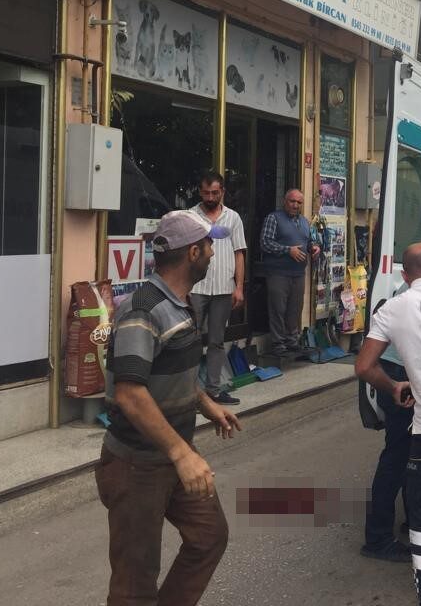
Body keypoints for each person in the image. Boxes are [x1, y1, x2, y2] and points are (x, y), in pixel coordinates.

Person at [97, 210, 242, 605]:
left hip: (172, 456)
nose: (213, 252)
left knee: (209, 537)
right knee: (134, 582)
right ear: (193, 252)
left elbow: (166, 368)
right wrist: (182, 453)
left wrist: (205, 403)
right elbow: (130, 393)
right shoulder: (143, 309)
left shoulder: (179, 303)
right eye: (209, 245)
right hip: (137, 464)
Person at [356, 243, 421, 604]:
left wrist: (394, 386)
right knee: (401, 457)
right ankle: (380, 535)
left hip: (412, 386)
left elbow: (363, 366)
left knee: (401, 457)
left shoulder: (395, 304)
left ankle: (395, 531)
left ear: (404, 274)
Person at [189, 170, 247, 406]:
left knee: (216, 341)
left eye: (214, 193)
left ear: (222, 191)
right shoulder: (191, 216)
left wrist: (239, 287)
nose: (210, 197)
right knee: (189, 341)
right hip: (196, 288)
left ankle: (213, 391)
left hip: (224, 287)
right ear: (200, 192)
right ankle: (188, 393)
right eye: (206, 193)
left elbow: (239, 253)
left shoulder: (233, 218)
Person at [260, 189, 319, 361]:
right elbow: (265, 243)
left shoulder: (305, 222)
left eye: (299, 202)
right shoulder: (274, 218)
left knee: (295, 309)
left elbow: (309, 241)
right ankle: (278, 344)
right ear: (285, 201)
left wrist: (314, 248)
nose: (295, 205)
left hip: (298, 273)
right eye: (292, 201)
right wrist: (288, 250)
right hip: (278, 273)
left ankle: (292, 342)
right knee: (278, 309)